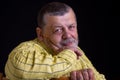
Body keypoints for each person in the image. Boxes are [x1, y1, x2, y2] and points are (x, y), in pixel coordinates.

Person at [3, 2, 106, 80]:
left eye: (71, 27)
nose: (68, 35)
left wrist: (87, 76)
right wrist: (69, 55)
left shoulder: (78, 52)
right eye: (58, 30)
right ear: (40, 34)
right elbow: (20, 69)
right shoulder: (26, 50)